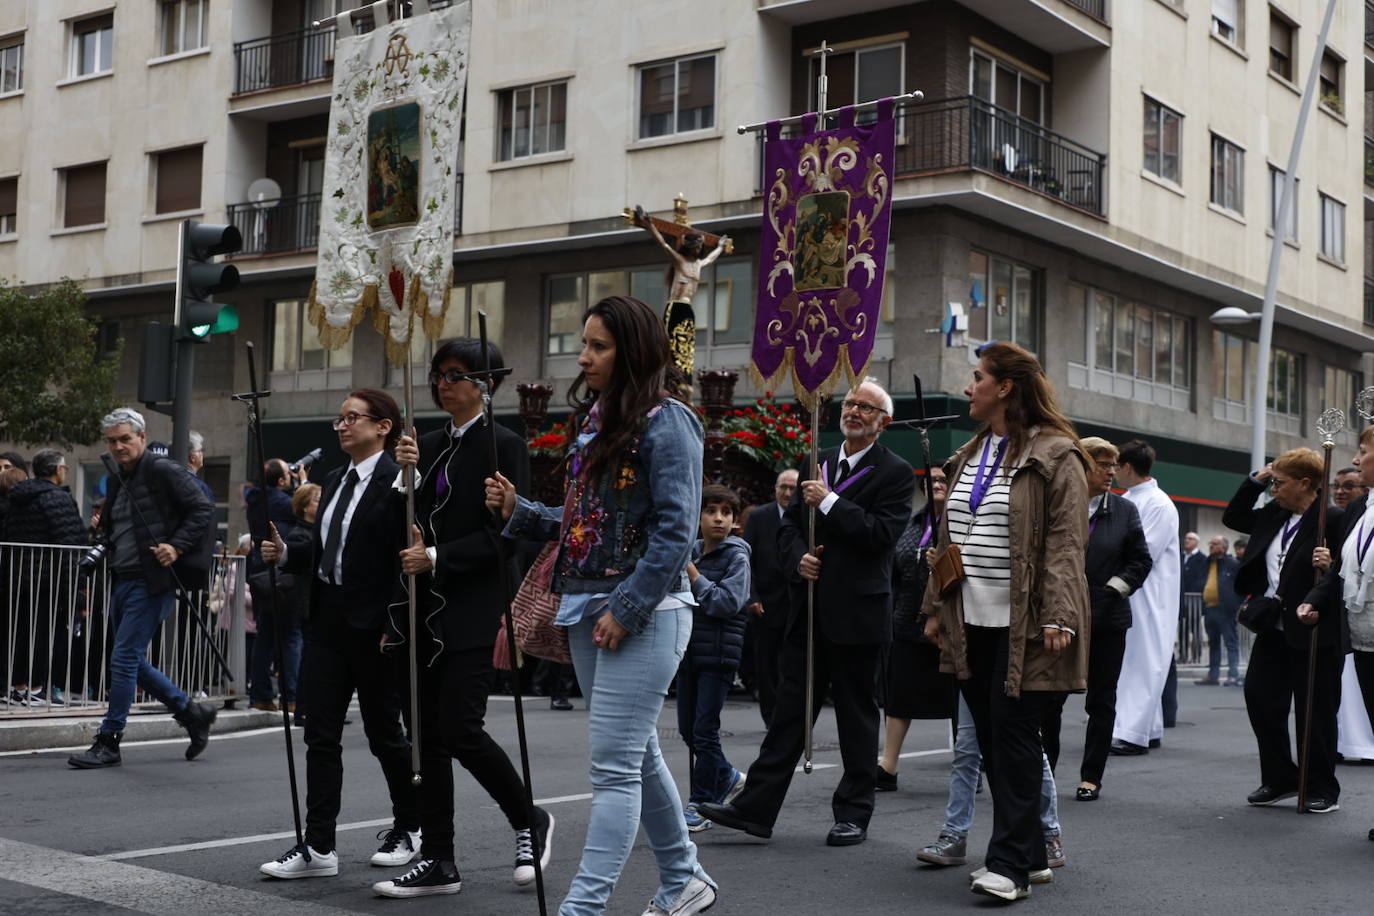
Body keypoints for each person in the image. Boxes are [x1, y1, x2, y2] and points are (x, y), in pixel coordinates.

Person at [485, 295, 715, 916]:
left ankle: (581, 909)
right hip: (586, 610)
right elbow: (586, 524)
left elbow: (676, 532)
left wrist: (630, 607)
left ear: (632, 351)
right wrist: (524, 513)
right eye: (583, 343)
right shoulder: (600, 421)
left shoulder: (669, 421)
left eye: (598, 346)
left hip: (646, 613)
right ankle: (684, 881)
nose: (583, 357)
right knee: (636, 756)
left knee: (613, 768)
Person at [700, 377, 915, 848]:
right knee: (788, 715)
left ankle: (853, 813)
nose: (853, 410)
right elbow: (789, 528)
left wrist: (831, 502)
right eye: (851, 403)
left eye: (866, 406)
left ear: (884, 422)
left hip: (858, 615)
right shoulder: (815, 459)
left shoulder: (896, 472)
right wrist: (799, 560)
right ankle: (756, 807)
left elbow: (881, 536)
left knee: (856, 717)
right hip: (810, 609)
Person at [381, 337, 554, 899]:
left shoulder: (504, 445)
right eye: (439, 374)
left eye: (456, 374)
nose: (443, 383)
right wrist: (402, 477)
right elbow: (400, 518)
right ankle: (439, 858)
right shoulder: (423, 444)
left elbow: (507, 537)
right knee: (426, 740)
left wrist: (435, 556)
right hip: (423, 611)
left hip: (475, 608)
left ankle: (529, 818)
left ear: (486, 383)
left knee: (460, 728)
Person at [922, 341, 1089, 902]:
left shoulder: (1058, 454)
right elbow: (950, 539)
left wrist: (1060, 614)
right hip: (969, 620)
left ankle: (1010, 868)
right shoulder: (968, 454)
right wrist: (933, 610)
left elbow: (1066, 544)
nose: (969, 388)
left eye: (978, 377)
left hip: (1030, 625)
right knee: (993, 741)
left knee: (1014, 740)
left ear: (1005, 387)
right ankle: (1033, 853)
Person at [257, 389, 422, 880]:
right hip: (327, 621)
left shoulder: (398, 482)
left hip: (373, 626)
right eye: (340, 419)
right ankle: (319, 846)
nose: (343, 426)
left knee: (383, 733)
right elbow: (331, 552)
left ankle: (411, 826)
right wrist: (287, 554)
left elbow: (401, 555)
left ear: (383, 426)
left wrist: (395, 622)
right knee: (320, 733)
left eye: (353, 418)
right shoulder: (333, 478)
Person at [68, 408, 217, 769]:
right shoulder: (120, 478)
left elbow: (202, 507)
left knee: (122, 659)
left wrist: (176, 546)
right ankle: (190, 711)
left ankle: (109, 740)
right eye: (112, 440)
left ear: (142, 437)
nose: (119, 446)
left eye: (125, 438)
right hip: (121, 578)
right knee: (129, 659)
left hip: (151, 581)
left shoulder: (162, 469)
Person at [1227, 448, 1345, 812]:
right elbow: (1234, 517)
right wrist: (1256, 480)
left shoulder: (1333, 518)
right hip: (1274, 626)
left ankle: (1321, 786)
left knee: (1316, 710)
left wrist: (1331, 562)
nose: (1273, 489)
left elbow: (1348, 566)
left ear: (1305, 483)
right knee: (1261, 699)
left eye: (1279, 482)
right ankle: (1281, 777)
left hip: (1314, 626)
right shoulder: (1274, 514)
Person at [1053, 437, 1151, 802]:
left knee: (1101, 700)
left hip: (1108, 618)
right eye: (1102, 464)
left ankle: (1091, 776)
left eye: (1114, 464)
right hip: (1061, 617)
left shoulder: (1124, 510)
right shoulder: (1059, 501)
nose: (1111, 471)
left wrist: (1111, 591)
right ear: (1080, 464)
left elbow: (1140, 561)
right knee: (1052, 697)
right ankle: (1045, 769)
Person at [877, 465, 956, 791]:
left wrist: (945, 562)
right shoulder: (910, 524)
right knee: (900, 697)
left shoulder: (965, 523)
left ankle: (968, 763)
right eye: (931, 480)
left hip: (952, 625)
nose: (937, 484)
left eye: (942, 480)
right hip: (907, 622)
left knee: (958, 700)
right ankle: (888, 766)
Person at [679, 484, 752, 832]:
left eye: (726, 513)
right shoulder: (689, 550)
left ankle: (701, 803)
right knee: (687, 729)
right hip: (687, 651)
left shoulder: (737, 556)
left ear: (735, 521)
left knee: (705, 730)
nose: (719, 519)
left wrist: (693, 575)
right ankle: (728, 776)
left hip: (719, 655)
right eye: (711, 511)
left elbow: (726, 603)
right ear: (698, 516)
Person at [1305, 427, 1374, 790]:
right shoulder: (1362, 507)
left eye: (1363, 451)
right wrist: (1313, 600)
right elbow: (1345, 570)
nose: (1354, 459)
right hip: (1364, 639)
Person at [1109, 439, 1180, 756]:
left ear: (1126, 467)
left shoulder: (1158, 503)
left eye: (1114, 466)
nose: (1111, 473)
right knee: (1130, 659)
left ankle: (1132, 733)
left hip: (1149, 593)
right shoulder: (1130, 499)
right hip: (1132, 590)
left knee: (1144, 659)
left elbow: (1144, 550)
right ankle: (1144, 728)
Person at [3, 449, 88, 708]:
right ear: (57, 470)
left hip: (18, 578)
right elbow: (71, 543)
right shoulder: (57, 499)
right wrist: (77, 590)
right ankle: (37, 688)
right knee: (44, 635)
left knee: (19, 633)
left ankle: (18, 687)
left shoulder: (17, 497)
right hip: (48, 580)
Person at [740, 468, 798, 726]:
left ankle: (791, 715)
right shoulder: (759, 517)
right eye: (782, 487)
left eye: (792, 488)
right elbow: (746, 559)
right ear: (775, 489)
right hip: (765, 602)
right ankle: (771, 717)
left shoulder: (807, 515)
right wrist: (752, 596)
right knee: (766, 663)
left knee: (793, 662)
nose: (787, 493)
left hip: (797, 602)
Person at [247, 459, 300, 713]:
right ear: (280, 481)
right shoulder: (280, 501)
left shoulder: (255, 498)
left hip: (260, 575)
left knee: (265, 636)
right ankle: (291, 697)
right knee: (290, 636)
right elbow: (303, 509)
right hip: (281, 576)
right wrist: (302, 482)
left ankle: (260, 696)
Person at [1193, 536, 1242, 687]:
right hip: (1210, 608)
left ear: (1224, 547)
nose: (1211, 546)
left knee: (1230, 643)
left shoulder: (1232, 564)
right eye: (1211, 543)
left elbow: (1241, 586)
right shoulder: (1208, 562)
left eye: (1215, 544)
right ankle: (1213, 676)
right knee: (1213, 643)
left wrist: (1235, 605)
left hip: (1226, 611)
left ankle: (1233, 675)